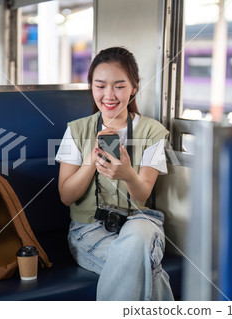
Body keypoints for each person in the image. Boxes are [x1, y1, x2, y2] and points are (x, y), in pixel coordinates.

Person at [55, 47, 174, 301]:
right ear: (92, 88)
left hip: (139, 223)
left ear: (134, 87)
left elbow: (143, 194)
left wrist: (128, 174)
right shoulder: (77, 130)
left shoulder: (153, 132)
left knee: (138, 237)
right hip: (89, 230)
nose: (109, 95)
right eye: (100, 86)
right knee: (149, 270)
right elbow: (66, 195)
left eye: (119, 86)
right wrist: (91, 157)